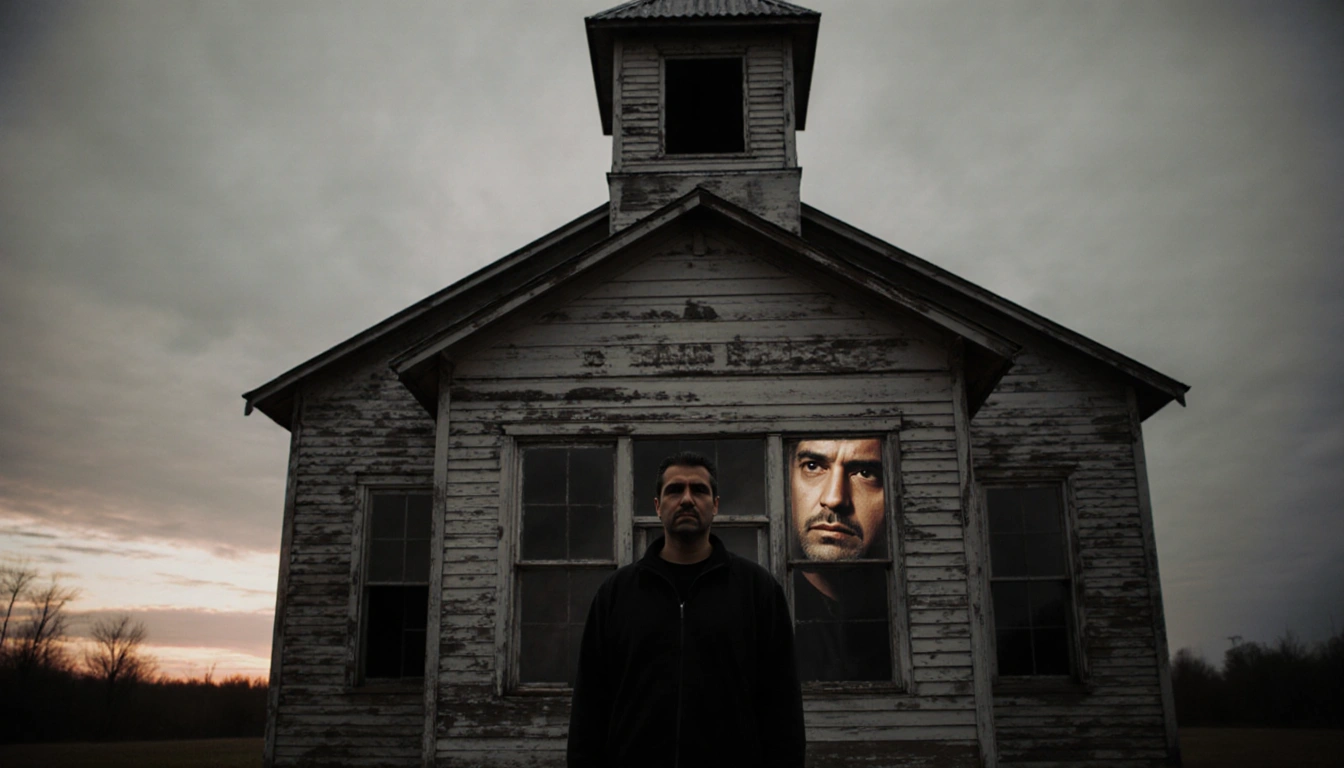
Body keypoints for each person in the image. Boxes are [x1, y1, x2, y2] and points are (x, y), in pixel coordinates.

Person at [567, 451, 805, 768]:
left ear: (715, 504)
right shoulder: (617, 595)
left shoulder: (757, 591)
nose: (687, 499)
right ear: (657, 506)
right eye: (675, 490)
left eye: (699, 490)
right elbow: (589, 707)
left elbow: (782, 708)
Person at [789, 438, 893, 682]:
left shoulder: (905, 615)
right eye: (813, 466)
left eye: (866, 473)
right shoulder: (760, 611)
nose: (835, 498)